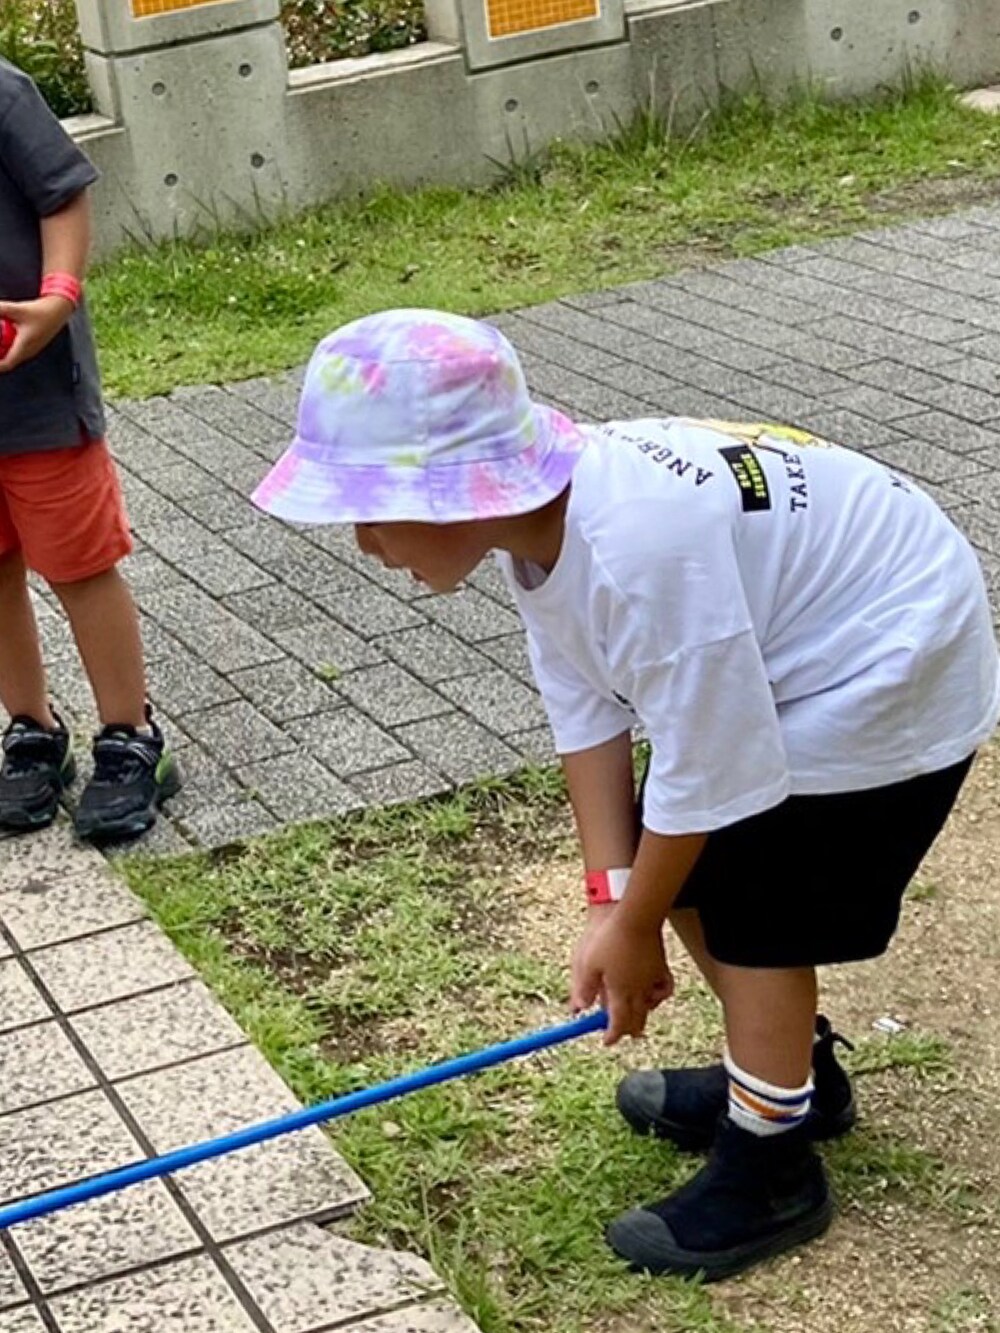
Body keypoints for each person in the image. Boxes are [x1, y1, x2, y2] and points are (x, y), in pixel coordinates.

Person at [251, 308, 1000, 1281]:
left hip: (888, 666)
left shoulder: (637, 548)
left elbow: (709, 767)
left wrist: (636, 923)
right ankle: (778, 1074)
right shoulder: (540, 531)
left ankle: (774, 1161)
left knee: (752, 911)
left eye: (369, 509)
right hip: (799, 659)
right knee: (676, 860)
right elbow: (585, 712)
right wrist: (617, 899)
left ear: (455, 494)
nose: (361, 541)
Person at [0, 57, 180, 843]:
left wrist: (58, 297)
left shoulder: (3, 91)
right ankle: (32, 731)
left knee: (78, 565)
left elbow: (63, 194)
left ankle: (130, 737)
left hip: (36, 391)